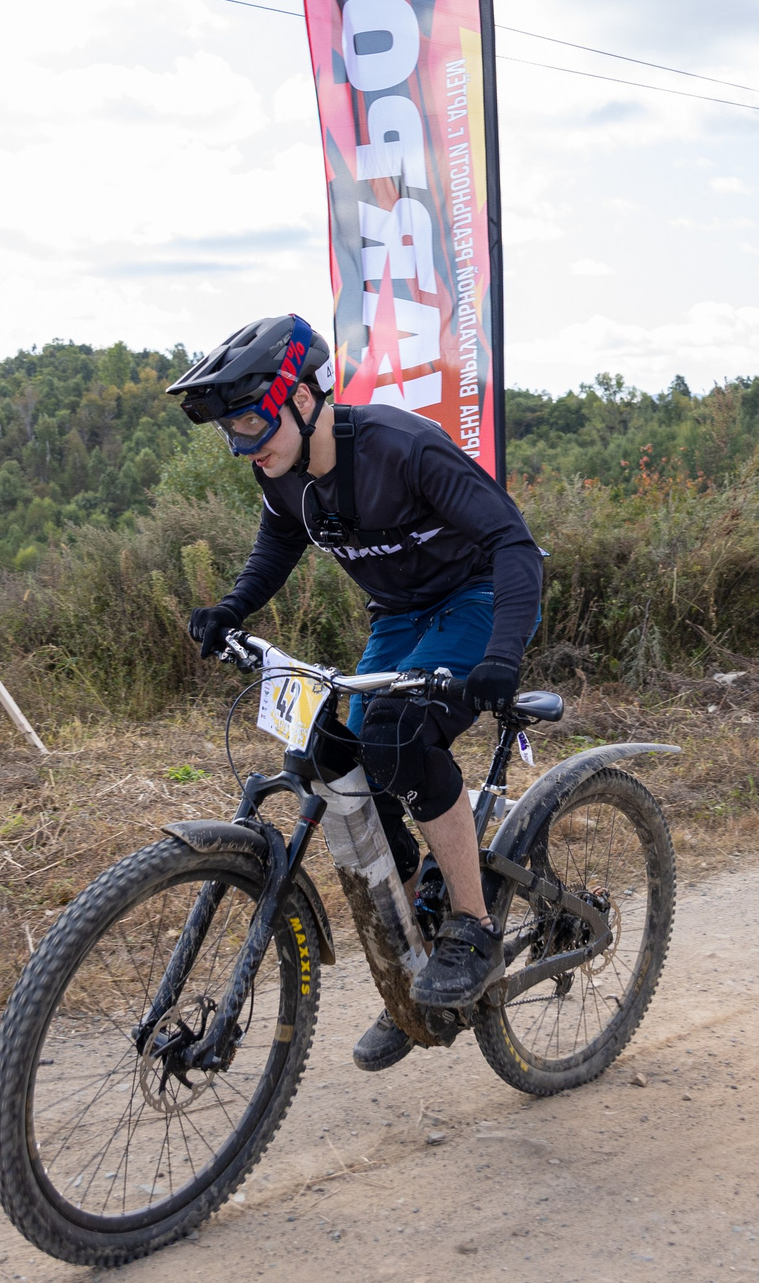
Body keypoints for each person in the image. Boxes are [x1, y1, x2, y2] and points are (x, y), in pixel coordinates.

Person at [167, 314, 543, 1072]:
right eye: (232, 430)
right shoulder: (282, 469)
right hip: (400, 615)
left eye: (253, 419)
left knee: (400, 739)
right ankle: (415, 962)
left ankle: (471, 926)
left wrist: (502, 652)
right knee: (339, 761)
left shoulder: (401, 450)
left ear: (306, 398)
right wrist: (235, 607)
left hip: (474, 599)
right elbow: (280, 538)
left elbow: (512, 543)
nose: (246, 443)